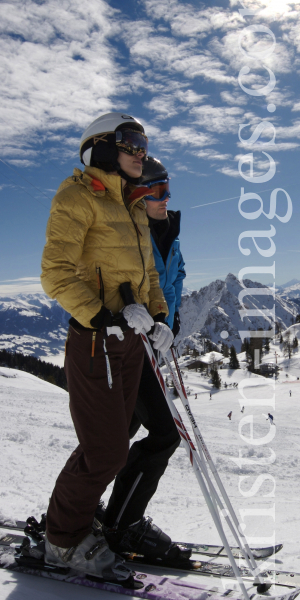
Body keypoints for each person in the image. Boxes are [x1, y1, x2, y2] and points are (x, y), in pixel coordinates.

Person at [41, 112, 174, 582]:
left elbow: (149, 278)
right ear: (99, 147)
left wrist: (158, 317)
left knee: (108, 446)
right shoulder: (77, 196)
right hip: (96, 340)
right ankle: (61, 540)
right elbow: (55, 272)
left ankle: (77, 521)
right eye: (131, 142)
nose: (141, 152)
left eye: (143, 144)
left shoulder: (133, 207)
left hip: (131, 343)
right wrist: (107, 317)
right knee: (106, 451)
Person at [101, 156, 190, 566]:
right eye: (157, 191)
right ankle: (122, 524)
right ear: (136, 194)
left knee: (116, 438)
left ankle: (82, 511)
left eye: (167, 190)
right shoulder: (129, 232)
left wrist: (171, 323)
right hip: (130, 343)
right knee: (165, 435)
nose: (165, 199)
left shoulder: (168, 231)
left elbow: (174, 282)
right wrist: (142, 319)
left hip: (155, 342)